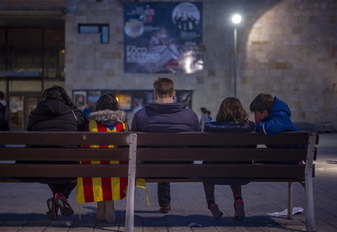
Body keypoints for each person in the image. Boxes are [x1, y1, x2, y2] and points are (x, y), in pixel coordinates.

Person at [131, 77, 200, 214]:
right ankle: (165, 204)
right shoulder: (190, 115)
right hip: (184, 169)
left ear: (155, 95)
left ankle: (165, 204)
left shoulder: (141, 115)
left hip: (150, 168)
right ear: (174, 94)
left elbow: (134, 145)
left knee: (160, 157)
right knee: (167, 156)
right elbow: (197, 143)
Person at [27, 85, 86, 220]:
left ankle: (58, 196)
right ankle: (61, 196)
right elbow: (83, 133)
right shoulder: (73, 113)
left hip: (40, 165)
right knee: (80, 167)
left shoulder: (35, 112)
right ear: (64, 97)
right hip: (69, 163)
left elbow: (29, 134)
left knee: (48, 163)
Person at [77, 93, 128, 223]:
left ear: (98, 107)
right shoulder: (122, 125)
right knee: (113, 168)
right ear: (115, 107)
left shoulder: (91, 124)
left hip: (95, 170)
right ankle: (109, 204)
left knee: (96, 166)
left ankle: (101, 205)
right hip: (117, 170)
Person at [203, 97, 256, 220]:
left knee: (206, 167)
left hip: (213, 172)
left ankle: (211, 203)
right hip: (242, 172)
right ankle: (238, 199)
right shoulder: (249, 129)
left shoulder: (210, 128)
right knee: (235, 164)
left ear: (221, 111)